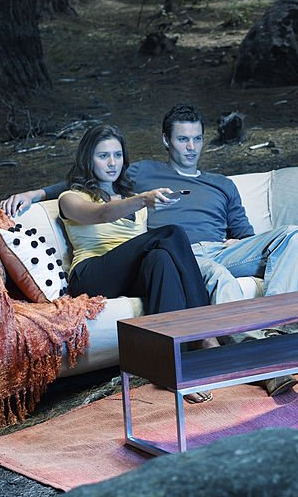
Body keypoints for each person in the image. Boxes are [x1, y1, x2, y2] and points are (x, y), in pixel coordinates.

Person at [1, 104, 298, 397]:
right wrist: (36, 193)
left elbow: (243, 233)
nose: (190, 146)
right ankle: (218, 342)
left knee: (289, 236)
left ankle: (185, 362)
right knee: (176, 242)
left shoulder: (207, 184)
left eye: (197, 139)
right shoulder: (131, 182)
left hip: (174, 256)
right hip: (120, 265)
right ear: (166, 140)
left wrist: (235, 242)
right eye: (182, 139)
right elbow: (94, 206)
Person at [57, 123, 214, 403]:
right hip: (91, 275)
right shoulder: (71, 198)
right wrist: (142, 200)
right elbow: (102, 214)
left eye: (117, 155)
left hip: (127, 275)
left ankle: (171, 365)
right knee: (172, 232)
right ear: (87, 159)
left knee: (160, 259)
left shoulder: (128, 195)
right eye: (103, 156)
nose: (112, 163)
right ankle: (204, 331)